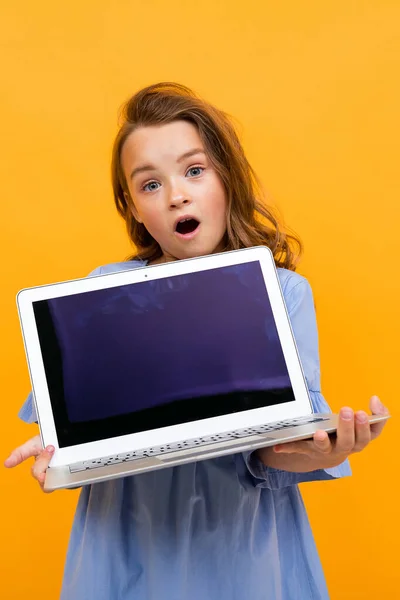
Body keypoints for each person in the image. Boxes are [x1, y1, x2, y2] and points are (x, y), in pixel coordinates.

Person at [5, 83, 388, 600]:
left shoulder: (284, 292)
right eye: (149, 185)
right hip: (124, 541)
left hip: (241, 547)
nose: (176, 194)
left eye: (193, 171)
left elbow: (276, 451)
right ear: (135, 209)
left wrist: (323, 449)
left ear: (226, 179)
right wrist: (61, 454)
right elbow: (75, 435)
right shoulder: (104, 290)